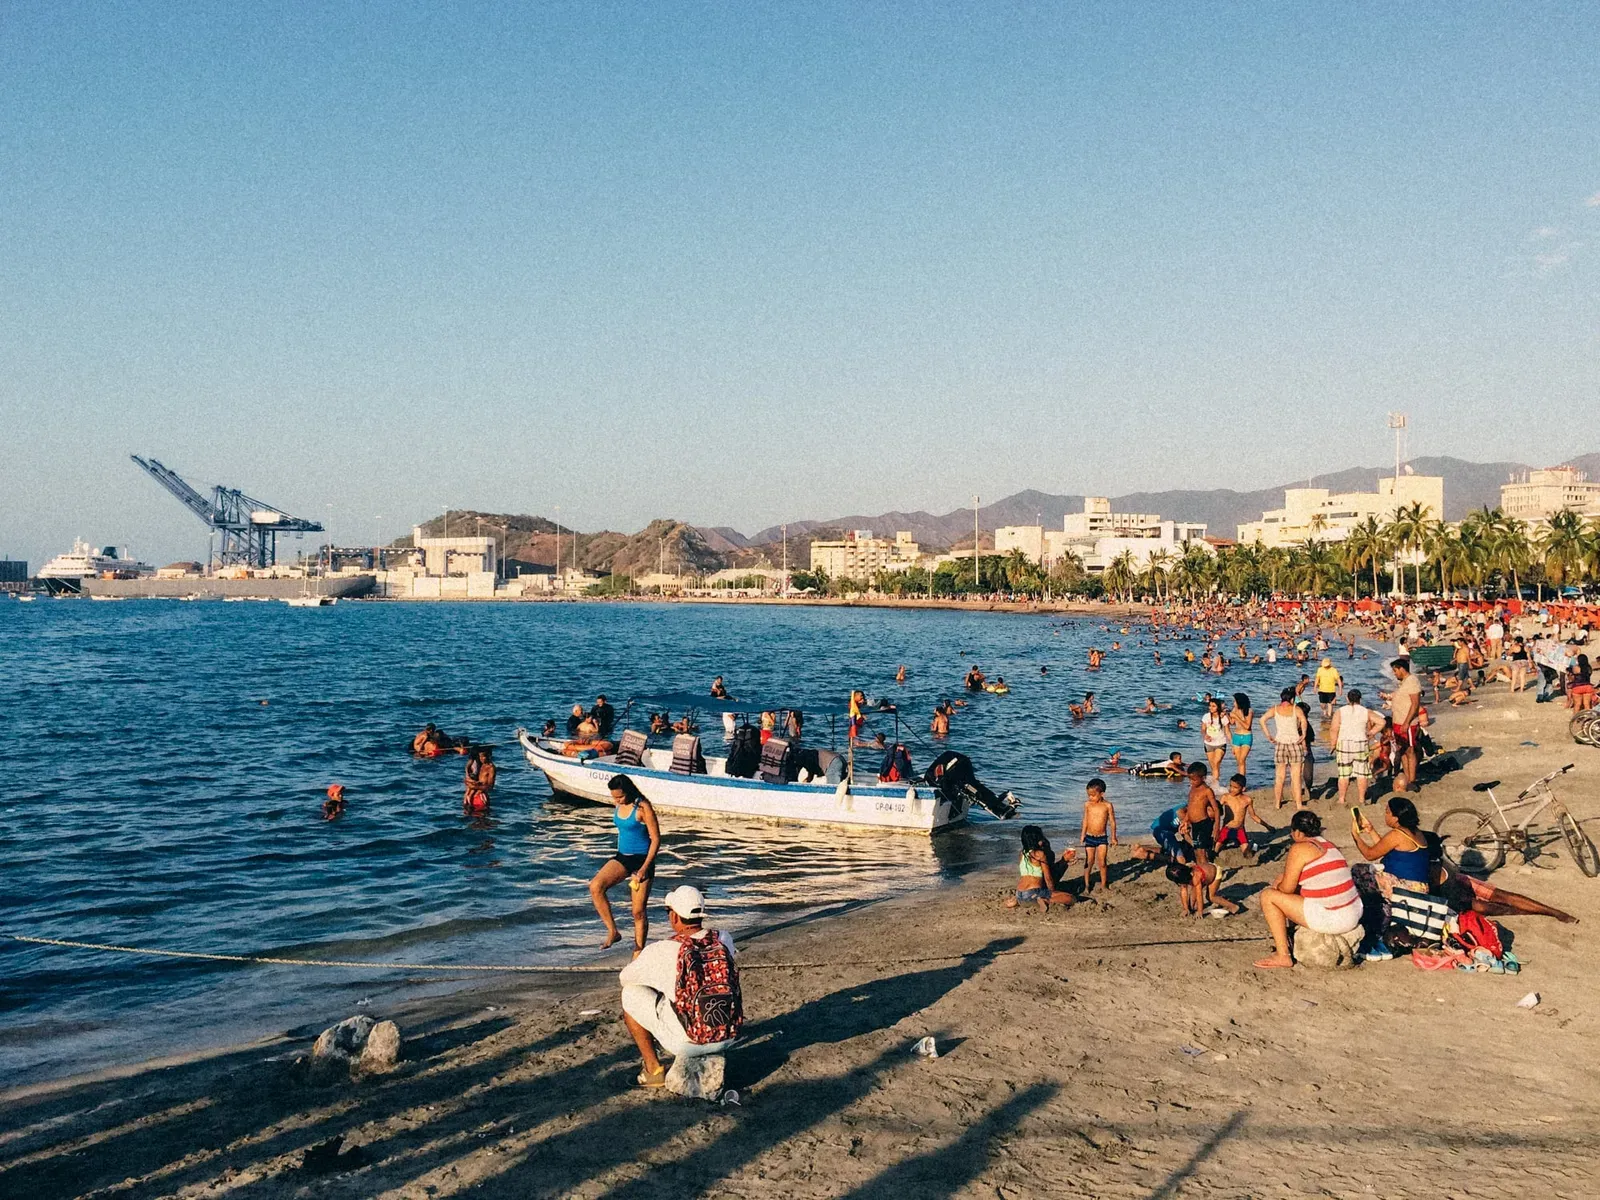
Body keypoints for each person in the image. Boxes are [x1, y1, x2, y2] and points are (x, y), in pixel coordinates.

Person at [619, 885, 741, 1089]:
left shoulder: (663, 949)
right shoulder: (723, 939)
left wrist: (641, 961)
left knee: (630, 994)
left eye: (668, 912)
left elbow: (625, 978)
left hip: (688, 1042)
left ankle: (653, 1070)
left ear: (675, 916)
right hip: (729, 1035)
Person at [1255, 810, 1363, 969]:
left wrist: (1278, 883)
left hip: (1336, 918)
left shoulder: (1300, 848)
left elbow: (1286, 889)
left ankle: (1283, 955)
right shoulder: (1329, 845)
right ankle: (1291, 935)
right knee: (1294, 887)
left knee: (1268, 896)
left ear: (1297, 832)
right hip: (1354, 912)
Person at [589, 775, 661, 952]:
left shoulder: (643, 807)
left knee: (638, 911)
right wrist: (618, 802)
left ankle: (638, 951)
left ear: (628, 791)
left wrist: (644, 868)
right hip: (622, 857)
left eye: (620, 796)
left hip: (642, 861)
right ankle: (613, 931)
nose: (617, 800)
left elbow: (656, 839)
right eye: (614, 797)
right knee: (596, 886)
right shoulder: (618, 804)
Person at [1350, 795, 1429, 892]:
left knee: (1358, 871)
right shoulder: (1416, 832)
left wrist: (1355, 835)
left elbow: (1369, 855)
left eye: (1387, 812)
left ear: (1396, 818)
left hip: (1406, 886)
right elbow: (1384, 848)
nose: (1385, 815)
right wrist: (1371, 830)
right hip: (1420, 886)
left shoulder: (1397, 834)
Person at [1328, 688, 1380, 808]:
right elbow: (1381, 722)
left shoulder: (1340, 711)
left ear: (1347, 698)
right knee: (1361, 773)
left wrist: (1333, 744)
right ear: (1360, 699)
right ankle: (1361, 800)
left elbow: (1334, 729)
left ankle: (1342, 799)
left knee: (1344, 774)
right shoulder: (1365, 711)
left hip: (1344, 742)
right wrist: (1372, 732)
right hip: (1360, 742)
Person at [1006, 825, 1074, 910]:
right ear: (1037, 840)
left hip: (1019, 893)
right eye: (1041, 837)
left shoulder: (1022, 854)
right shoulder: (1040, 854)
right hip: (1033, 893)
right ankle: (1045, 901)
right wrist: (1053, 893)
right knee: (1070, 898)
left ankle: (1018, 901)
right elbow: (1048, 878)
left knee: (1030, 896)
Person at [1262, 687, 1308, 810]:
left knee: (1280, 776)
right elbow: (1303, 721)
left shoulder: (1275, 709)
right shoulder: (1296, 709)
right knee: (1296, 776)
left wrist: (1268, 735)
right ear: (1292, 698)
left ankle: (1277, 803)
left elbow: (1262, 720)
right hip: (1294, 743)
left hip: (1280, 743)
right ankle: (1298, 804)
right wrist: (1303, 734)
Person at [1387, 658, 1423, 793]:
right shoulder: (1404, 683)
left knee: (1410, 750)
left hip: (1407, 723)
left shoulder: (1412, 681)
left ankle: (1412, 780)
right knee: (1402, 750)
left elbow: (1415, 704)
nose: (1394, 674)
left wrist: (1407, 722)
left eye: (1395, 671)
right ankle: (1407, 777)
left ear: (1402, 669)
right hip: (1398, 722)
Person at [1079, 779, 1118, 893]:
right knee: (1089, 861)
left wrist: (1113, 837)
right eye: (1088, 795)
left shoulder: (1107, 805)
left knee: (1102, 862)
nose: (1090, 797)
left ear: (1102, 794)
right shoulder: (1087, 805)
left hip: (1102, 838)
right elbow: (1085, 820)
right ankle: (1086, 885)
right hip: (1089, 837)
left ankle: (1104, 884)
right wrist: (1082, 834)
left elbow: (1112, 822)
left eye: (1093, 795)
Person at [1181, 762, 1220, 873]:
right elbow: (1190, 806)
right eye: (1190, 779)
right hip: (1195, 825)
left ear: (1203, 778)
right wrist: (1185, 820)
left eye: (1194, 780)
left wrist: (1216, 827)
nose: (1191, 782)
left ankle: (1207, 872)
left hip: (1204, 824)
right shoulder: (1193, 788)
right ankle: (1201, 871)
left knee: (1202, 852)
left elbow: (1216, 809)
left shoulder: (1207, 790)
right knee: (1197, 850)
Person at [1215, 773, 1265, 856]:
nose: (1231, 789)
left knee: (1247, 854)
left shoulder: (1247, 800)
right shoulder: (1225, 797)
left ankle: (1253, 845)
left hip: (1239, 830)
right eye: (1230, 786)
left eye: (1235, 787)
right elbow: (1217, 810)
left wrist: (1267, 826)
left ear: (1243, 788)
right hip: (1226, 829)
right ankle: (1226, 841)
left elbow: (1253, 816)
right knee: (1216, 850)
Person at [1200, 696, 1229, 785]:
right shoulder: (1206, 716)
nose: (1211, 708)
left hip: (1221, 743)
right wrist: (1205, 735)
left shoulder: (1223, 717)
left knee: (1216, 763)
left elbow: (1227, 731)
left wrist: (1233, 744)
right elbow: (1203, 729)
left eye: (1213, 706)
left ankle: (1215, 785)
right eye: (1210, 706)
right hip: (1209, 744)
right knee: (1213, 765)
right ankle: (1215, 783)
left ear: (1218, 707)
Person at [1228, 693, 1253, 781]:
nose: (1233, 703)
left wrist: (1236, 717)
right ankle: (1239, 781)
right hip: (1237, 736)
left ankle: (1242, 782)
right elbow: (1232, 722)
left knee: (1242, 760)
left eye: (1235, 701)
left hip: (1246, 736)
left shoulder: (1249, 711)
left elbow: (1247, 726)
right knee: (1239, 761)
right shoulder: (1234, 709)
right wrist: (1227, 715)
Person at [464, 746, 496, 811]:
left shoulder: (491, 768)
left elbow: (490, 786)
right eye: (480, 756)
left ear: (489, 756)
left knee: (482, 818)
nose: (481, 759)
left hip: (481, 797)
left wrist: (474, 787)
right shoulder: (481, 765)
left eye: (483, 756)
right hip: (473, 797)